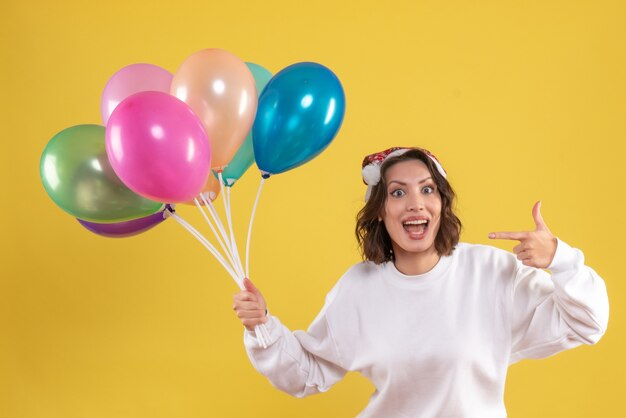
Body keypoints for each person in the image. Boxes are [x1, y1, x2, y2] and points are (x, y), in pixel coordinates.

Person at [233, 147, 609, 417]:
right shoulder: (358, 289)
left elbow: (587, 323)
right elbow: (309, 372)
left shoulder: (491, 273)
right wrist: (262, 325)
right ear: (380, 211)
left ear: (442, 204)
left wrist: (560, 259)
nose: (415, 203)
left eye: (427, 189)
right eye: (398, 192)